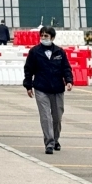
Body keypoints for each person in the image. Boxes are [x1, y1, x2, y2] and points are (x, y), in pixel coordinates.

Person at [23, 26, 74, 155]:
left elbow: (66, 68)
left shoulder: (59, 52)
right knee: (45, 117)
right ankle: (49, 143)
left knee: (57, 117)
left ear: (52, 37)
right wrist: (28, 86)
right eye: (42, 35)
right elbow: (28, 69)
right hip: (41, 88)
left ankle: (56, 139)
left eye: (46, 36)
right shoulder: (34, 52)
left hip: (57, 89)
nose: (43, 38)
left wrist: (69, 81)